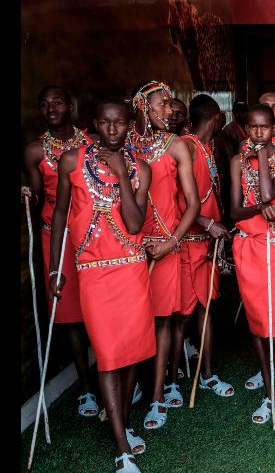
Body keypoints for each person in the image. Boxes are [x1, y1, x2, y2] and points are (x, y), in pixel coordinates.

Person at [49, 98, 154, 473]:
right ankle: (122, 448)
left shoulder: (140, 168)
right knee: (109, 355)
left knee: (130, 355)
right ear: (94, 124)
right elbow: (59, 213)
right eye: (105, 123)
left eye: (120, 123)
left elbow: (135, 224)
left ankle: (122, 423)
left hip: (131, 270)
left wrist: (123, 174)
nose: (112, 130)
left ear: (129, 125)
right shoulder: (71, 161)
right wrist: (54, 268)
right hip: (93, 272)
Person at [127, 81, 200, 429]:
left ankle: (157, 394)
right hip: (128, 248)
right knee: (132, 320)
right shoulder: (122, 144)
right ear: (142, 106)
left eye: (171, 104)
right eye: (162, 104)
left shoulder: (176, 145)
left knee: (161, 321)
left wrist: (172, 242)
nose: (169, 110)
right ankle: (134, 386)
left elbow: (193, 203)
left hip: (165, 245)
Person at [22, 85, 98, 418]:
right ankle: (86, 389)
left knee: (98, 307)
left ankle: (113, 376)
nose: (51, 109)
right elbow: (39, 193)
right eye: (44, 104)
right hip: (56, 238)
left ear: (71, 106)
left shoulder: (92, 143)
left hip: (91, 235)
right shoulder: (34, 151)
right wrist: (28, 194)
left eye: (57, 102)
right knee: (69, 316)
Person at [230, 104, 275, 438]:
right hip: (248, 247)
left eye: (265, 127)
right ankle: (270, 395)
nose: (259, 133)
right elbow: (234, 212)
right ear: (245, 129)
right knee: (259, 325)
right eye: (253, 128)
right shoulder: (236, 162)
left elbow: (270, 192)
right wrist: (258, 208)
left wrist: (260, 157)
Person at [176, 94, 234, 398]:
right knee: (183, 314)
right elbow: (175, 199)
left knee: (207, 309)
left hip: (208, 244)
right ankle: (171, 381)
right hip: (188, 243)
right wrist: (208, 223)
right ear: (216, 118)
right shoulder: (186, 146)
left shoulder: (207, 147)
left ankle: (208, 374)